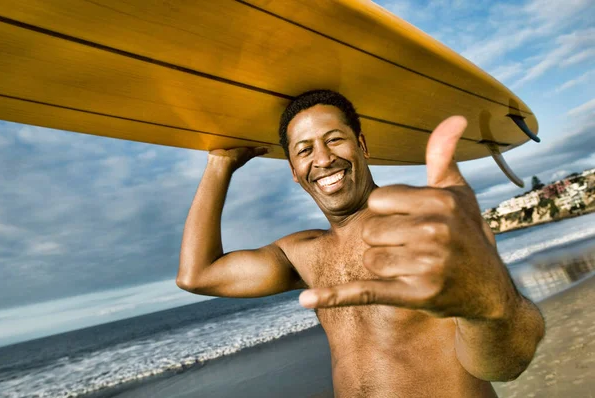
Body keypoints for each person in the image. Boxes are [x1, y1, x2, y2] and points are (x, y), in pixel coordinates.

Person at [176, 90, 545, 397]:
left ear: (362, 145)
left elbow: (507, 364)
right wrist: (220, 164)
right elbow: (197, 275)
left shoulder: (422, 226)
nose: (322, 158)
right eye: (304, 150)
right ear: (293, 171)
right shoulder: (302, 254)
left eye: (334, 139)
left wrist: (492, 306)